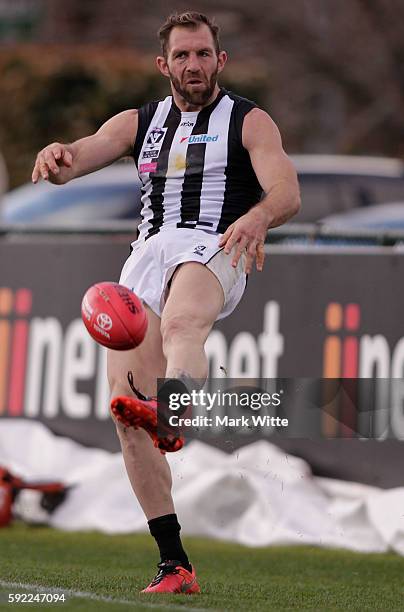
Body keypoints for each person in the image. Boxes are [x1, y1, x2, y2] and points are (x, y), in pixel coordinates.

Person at [31, 11, 301, 595]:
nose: (194, 65)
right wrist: (59, 157)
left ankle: (176, 414)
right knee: (125, 412)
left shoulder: (249, 121)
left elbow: (287, 191)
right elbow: (83, 152)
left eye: (203, 54)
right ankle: (174, 562)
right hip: (147, 256)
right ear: (165, 66)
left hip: (217, 244)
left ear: (220, 60)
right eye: (182, 56)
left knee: (183, 322)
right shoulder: (140, 121)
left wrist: (257, 217)